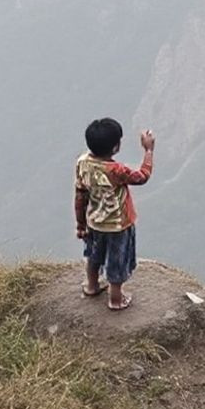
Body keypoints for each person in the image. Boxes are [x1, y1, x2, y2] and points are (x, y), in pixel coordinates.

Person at [74, 117, 155, 310]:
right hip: (118, 225)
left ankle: (92, 286)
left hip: (93, 221)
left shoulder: (82, 163)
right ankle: (116, 300)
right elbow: (142, 177)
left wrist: (80, 224)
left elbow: (80, 196)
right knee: (117, 262)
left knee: (93, 255)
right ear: (115, 147)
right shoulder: (116, 170)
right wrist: (149, 151)